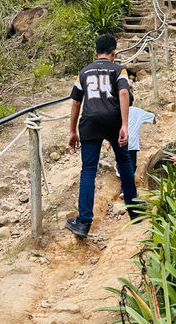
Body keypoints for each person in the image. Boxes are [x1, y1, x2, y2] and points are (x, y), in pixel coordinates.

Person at [66, 34, 139, 238]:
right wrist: (124, 125)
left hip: (89, 122)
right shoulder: (119, 70)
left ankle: (83, 222)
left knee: (88, 170)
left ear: (95, 53)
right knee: (124, 160)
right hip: (114, 121)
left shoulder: (84, 72)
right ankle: (135, 211)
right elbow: (124, 94)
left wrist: (72, 131)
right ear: (113, 53)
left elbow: (76, 103)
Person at [114, 104, 156, 199]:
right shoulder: (138, 111)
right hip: (131, 144)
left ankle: (119, 170)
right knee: (131, 167)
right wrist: (153, 121)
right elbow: (152, 118)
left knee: (126, 165)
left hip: (119, 143)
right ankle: (124, 190)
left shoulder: (116, 111)